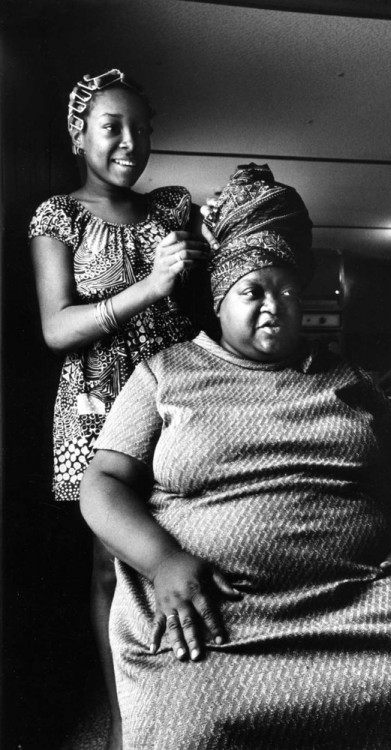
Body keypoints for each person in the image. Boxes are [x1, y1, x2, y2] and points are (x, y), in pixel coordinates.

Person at [80, 164, 391, 749]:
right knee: (190, 729)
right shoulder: (165, 373)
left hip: (355, 603)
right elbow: (104, 480)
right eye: (253, 292)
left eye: (289, 291)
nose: (275, 305)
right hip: (222, 608)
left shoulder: (350, 378)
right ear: (219, 300)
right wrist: (162, 560)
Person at [29, 68, 211, 750]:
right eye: (113, 128)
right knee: (113, 565)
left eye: (142, 129)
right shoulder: (58, 215)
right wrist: (151, 284)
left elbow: (196, 307)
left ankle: (187, 698)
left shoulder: (171, 206)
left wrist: (209, 247)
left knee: (181, 540)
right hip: (96, 406)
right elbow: (57, 329)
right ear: (79, 134)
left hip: (175, 400)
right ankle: (123, 722)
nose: (130, 142)